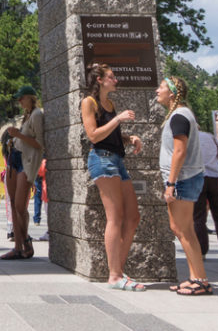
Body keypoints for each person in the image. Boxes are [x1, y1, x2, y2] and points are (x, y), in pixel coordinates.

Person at [80, 63, 144, 290]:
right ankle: (115, 276)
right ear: (100, 80)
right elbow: (94, 136)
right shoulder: (89, 102)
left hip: (117, 159)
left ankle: (118, 268)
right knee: (114, 217)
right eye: (111, 77)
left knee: (133, 216)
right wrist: (118, 119)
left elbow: (111, 134)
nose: (115, 80)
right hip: (101, 159)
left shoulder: (111, 104)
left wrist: (129, 138)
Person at [156, 75, 211, 296]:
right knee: (181, 229)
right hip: (184, 178)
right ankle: (194, 277)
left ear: (172, 93)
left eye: (160, 87)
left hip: (182, 179)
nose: (157, 91)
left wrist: (171, 183)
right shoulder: (181, 115)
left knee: (184, 230)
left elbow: (180, 151)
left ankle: (201, 279)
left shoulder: (179, 117)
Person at [1, 85, 44, 260]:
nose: (19, 101)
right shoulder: (27, 115)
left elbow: (40, 144)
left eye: (22, 98)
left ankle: (25, 240)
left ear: (30, 98)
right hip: (16, 158)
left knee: (19, 205)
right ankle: (18, 246)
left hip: (27, 162)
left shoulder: (37, 115)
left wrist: (18, 135)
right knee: (13, 204)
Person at [194, 129, 218, 260]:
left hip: (197, 176)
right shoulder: (209, 136)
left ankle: (201, 251)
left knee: (199, 216)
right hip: (215, 177)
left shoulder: (188, 137)